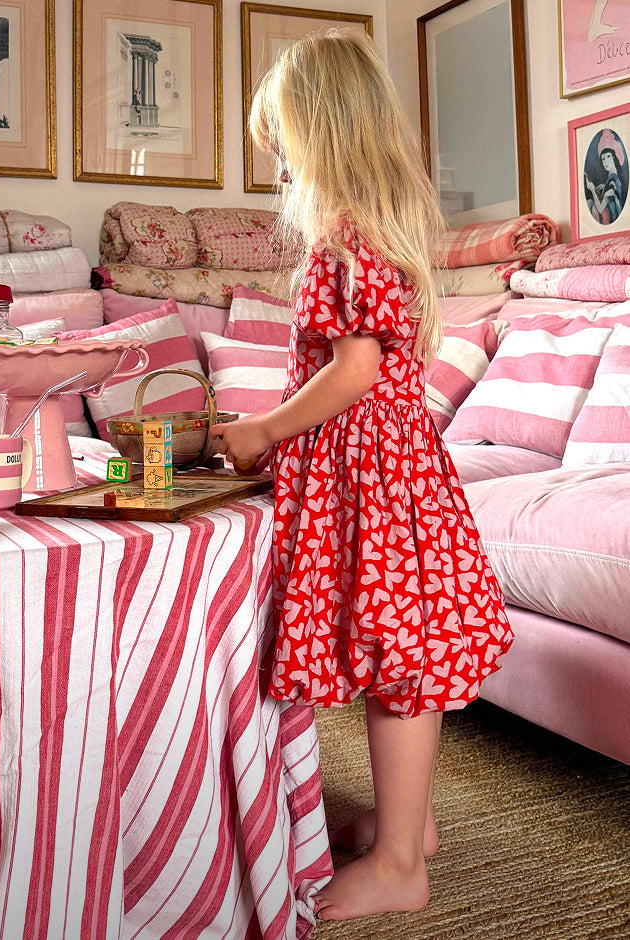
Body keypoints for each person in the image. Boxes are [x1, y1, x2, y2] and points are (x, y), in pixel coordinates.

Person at [209, 31, 513, 922]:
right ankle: (408, 826)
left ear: (322, 137)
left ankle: (398, 867)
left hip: (372, 476)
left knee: (393, 654)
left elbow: (355, 371)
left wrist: (263, 428)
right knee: (394, 649)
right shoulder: (373, 232)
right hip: (383, 470)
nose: (280, 169)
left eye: (286, 148)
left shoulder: (343, 240)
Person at [585, 129, 625, 225]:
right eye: (603, 158)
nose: (605, 161)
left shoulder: (612, 181)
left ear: (614, 157)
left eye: (608, 156)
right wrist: (605, 186)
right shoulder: (614, 178)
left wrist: (592, 188)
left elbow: (600, 208)